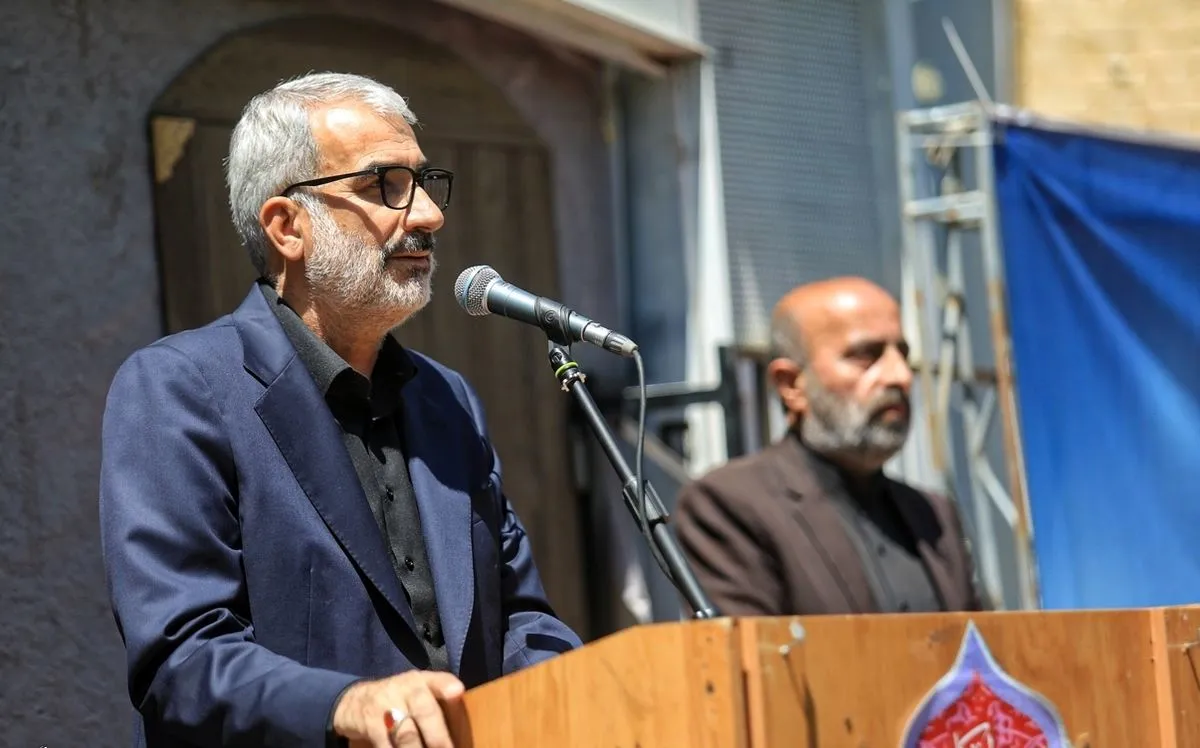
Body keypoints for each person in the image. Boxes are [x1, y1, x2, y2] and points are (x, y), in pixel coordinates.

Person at [99, 72, 581, 748]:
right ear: (287, 227)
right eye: (384, 184)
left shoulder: (447, 399)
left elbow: (522, 619)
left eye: (423, 181)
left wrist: (582, 691)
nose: (428, 216)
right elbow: (180, 658)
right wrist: (346, 704)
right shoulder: (179, 389)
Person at [673, 277, 983, 617]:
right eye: (866, 355)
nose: (901, 376)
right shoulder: (729, 505)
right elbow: (748, 646)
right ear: (791, 385)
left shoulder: (933, 514)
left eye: (903, 354)